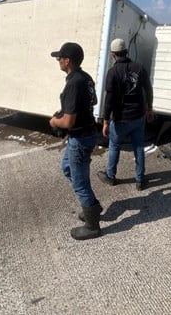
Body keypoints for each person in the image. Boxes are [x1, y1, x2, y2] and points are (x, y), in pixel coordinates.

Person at [49, 42, 101, 240]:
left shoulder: (73, 83)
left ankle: (92, 225)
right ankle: (92, 207)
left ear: (67, 60)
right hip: (87, 134)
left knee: (80, 183)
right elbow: (93, 101)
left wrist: (55, 121)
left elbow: (69, 122)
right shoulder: (85, 78)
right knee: (68, 169)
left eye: (59, 58)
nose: (58, 61)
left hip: (79, 137)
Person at [98, 38, 154, 191]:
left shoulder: (113, 72)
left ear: (113, 54)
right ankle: (140, 180)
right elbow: (148, 90)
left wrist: (105, 121)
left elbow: (109, 100)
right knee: (138, 146)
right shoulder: (139, 68)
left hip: (120, 118)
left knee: (115, 145)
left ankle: (110, 176)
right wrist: (149, 109)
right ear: (126, 52)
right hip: (138, 116)